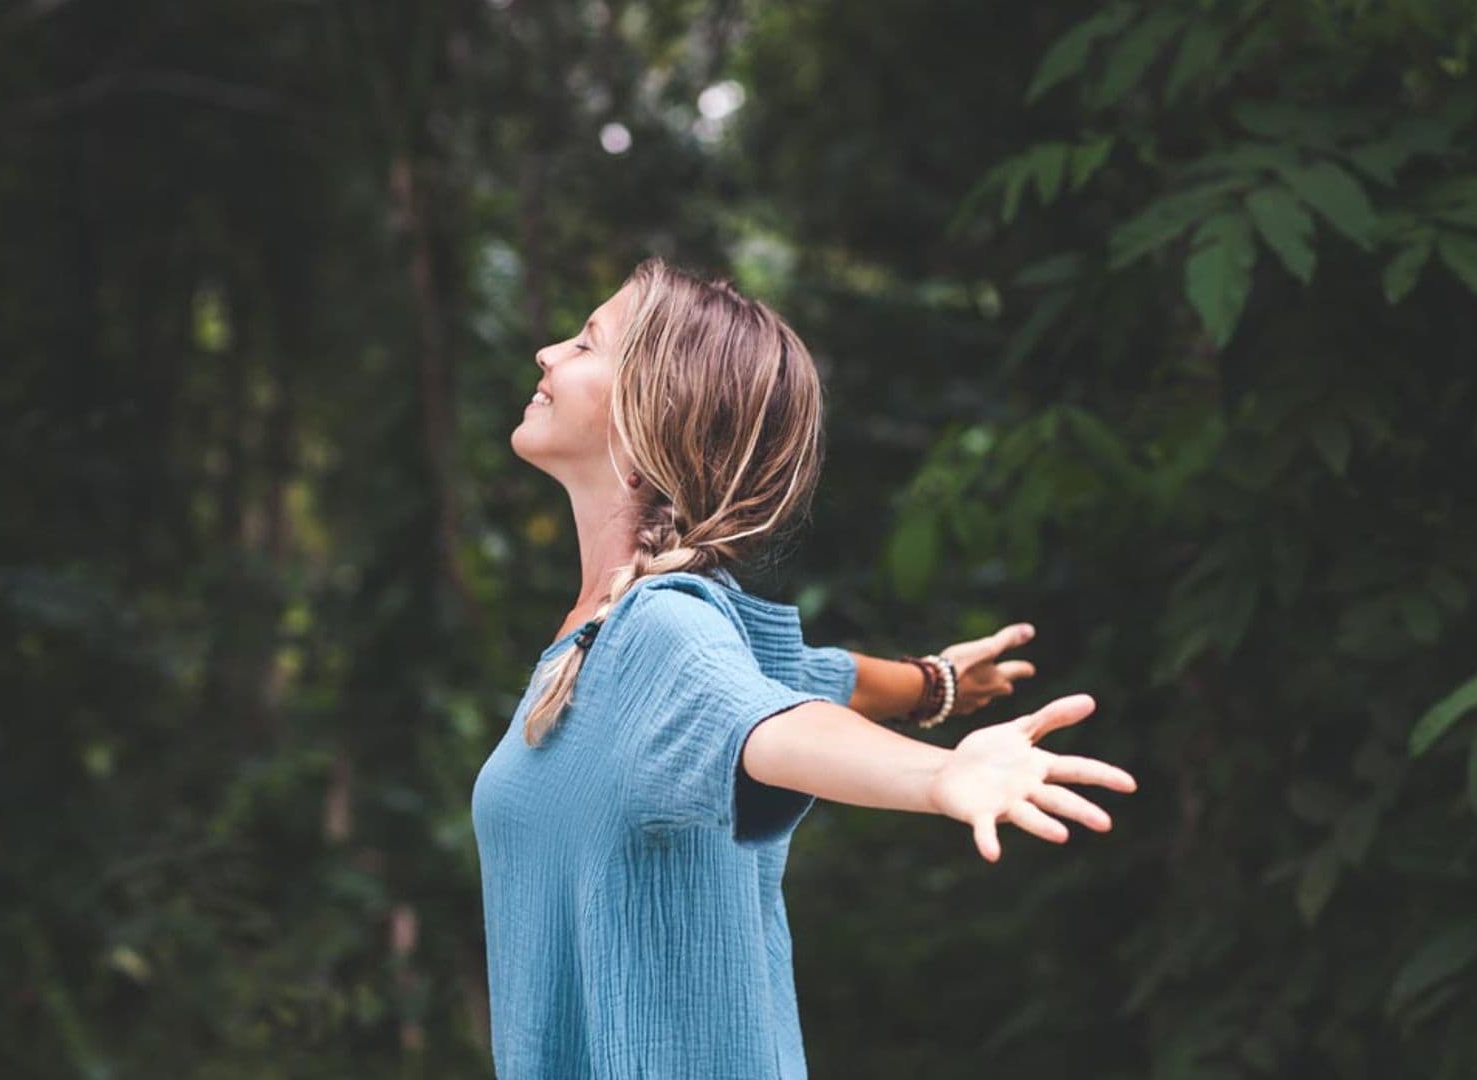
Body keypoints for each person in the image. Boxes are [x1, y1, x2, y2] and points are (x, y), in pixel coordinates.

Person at [471, 255, 1138, 1078]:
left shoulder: (660, 632)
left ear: (651, 419)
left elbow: (777, 725)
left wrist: (939, 777)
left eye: (586, 342)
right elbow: (807, 679)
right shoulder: (613, 637)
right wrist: (939, 685)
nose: (548, 352)